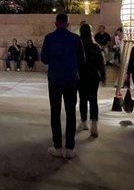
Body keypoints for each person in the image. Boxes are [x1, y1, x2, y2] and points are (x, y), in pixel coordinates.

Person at [41, 13, 85, 159]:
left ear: (55, 23)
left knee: (55, 112)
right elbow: (82, 60)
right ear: (68, 24)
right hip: (71, 80)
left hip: (54, 80)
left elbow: (44, 59)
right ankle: (70, 148)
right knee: (71, 113)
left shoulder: (49, 38)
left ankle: (57, 146)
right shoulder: (75, 39)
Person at [77, 24, 106, 137]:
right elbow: (100, 63)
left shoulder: (78, 46)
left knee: (83, 99)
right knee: (93, 100)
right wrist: (103, 77)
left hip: (81, 76)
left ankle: (84, 122)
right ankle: (94, 125)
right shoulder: (95, 46)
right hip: (93, 77)